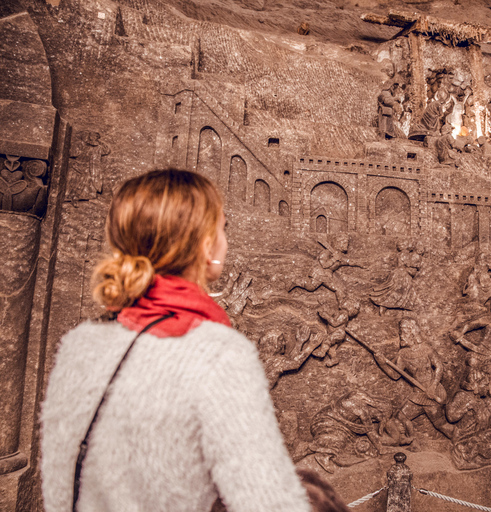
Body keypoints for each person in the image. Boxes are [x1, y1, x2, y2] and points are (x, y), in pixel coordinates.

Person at [40, 169, 312, 512]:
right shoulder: (218, 354)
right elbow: (270, 504)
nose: (225, 238)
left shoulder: (79, 347)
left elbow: (59, 492)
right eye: (222, 227)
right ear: (205, 245)